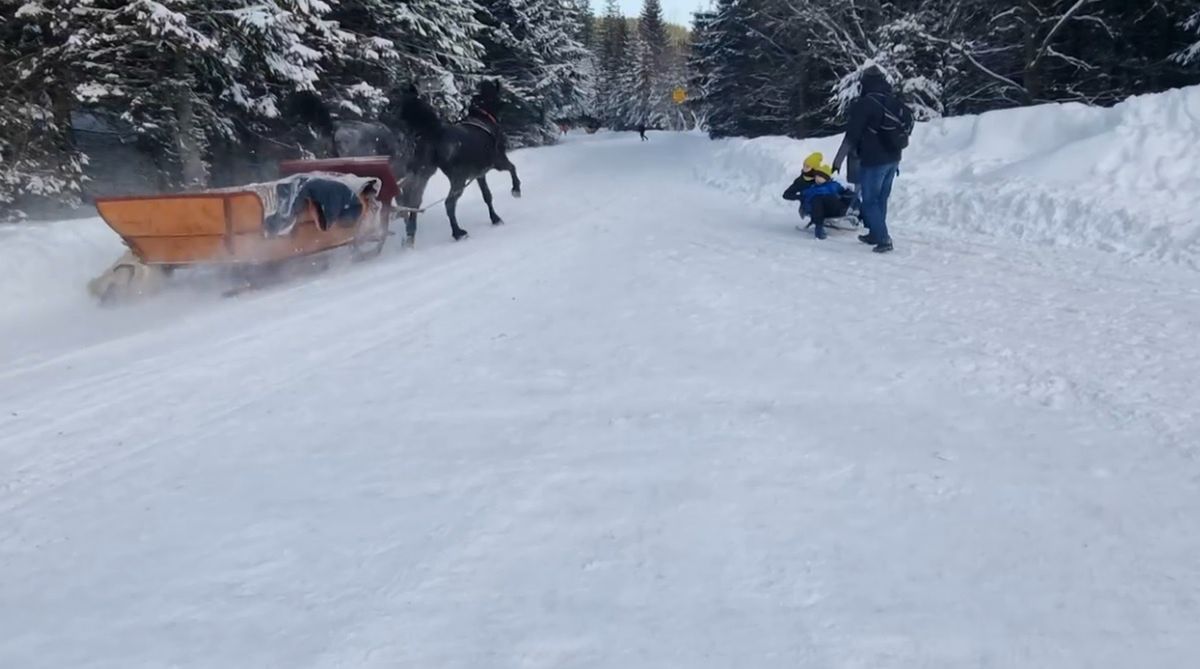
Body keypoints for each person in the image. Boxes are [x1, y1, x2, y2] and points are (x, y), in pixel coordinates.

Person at [833, 67, 902, 253]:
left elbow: (852, 135)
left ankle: (883, 238)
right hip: (894, 158)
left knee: (870, 200)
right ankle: (874, 233)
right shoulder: (893, 101)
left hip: (874, 160)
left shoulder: (865, 104)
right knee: (881, 199)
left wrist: (838, 160)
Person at [782, 152, 853, 240]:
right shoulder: (801, 182)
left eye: (807, 166)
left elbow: (838, 188)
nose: (804, 168)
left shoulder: (825, 180)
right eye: (804, 165)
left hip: (829, 205)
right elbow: (786, 194)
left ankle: (856, 215)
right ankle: (819, 228)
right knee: (817, 199)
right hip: (812, 205)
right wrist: (801, 197)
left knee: (849, 194)